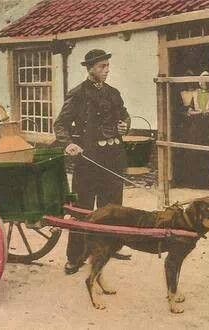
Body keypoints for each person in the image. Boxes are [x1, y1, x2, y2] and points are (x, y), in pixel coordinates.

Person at [53, 49, 132, 275]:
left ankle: (111, 247)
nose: (106, 71)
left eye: (107, 66)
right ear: (89, 69)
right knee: (83, 209)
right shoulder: (77, 94)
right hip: (88, 159)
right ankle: (75, 258)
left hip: (113, 157)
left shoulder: (114, 93)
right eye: (101, 67)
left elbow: (125, 116)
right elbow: (60, 124)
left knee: (113, 207)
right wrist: (68, 143)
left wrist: (125, 126)